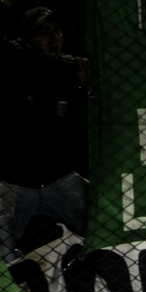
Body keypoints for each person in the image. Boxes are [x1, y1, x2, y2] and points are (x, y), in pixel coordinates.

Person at [0, 7, 89, 270]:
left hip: (58, 176)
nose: (54, 38)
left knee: (101, 221)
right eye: (43, 32)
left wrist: (84, 83)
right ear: (26, 41)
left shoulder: (70, 71)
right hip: (13, 179)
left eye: (57, 31)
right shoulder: (10, 63)